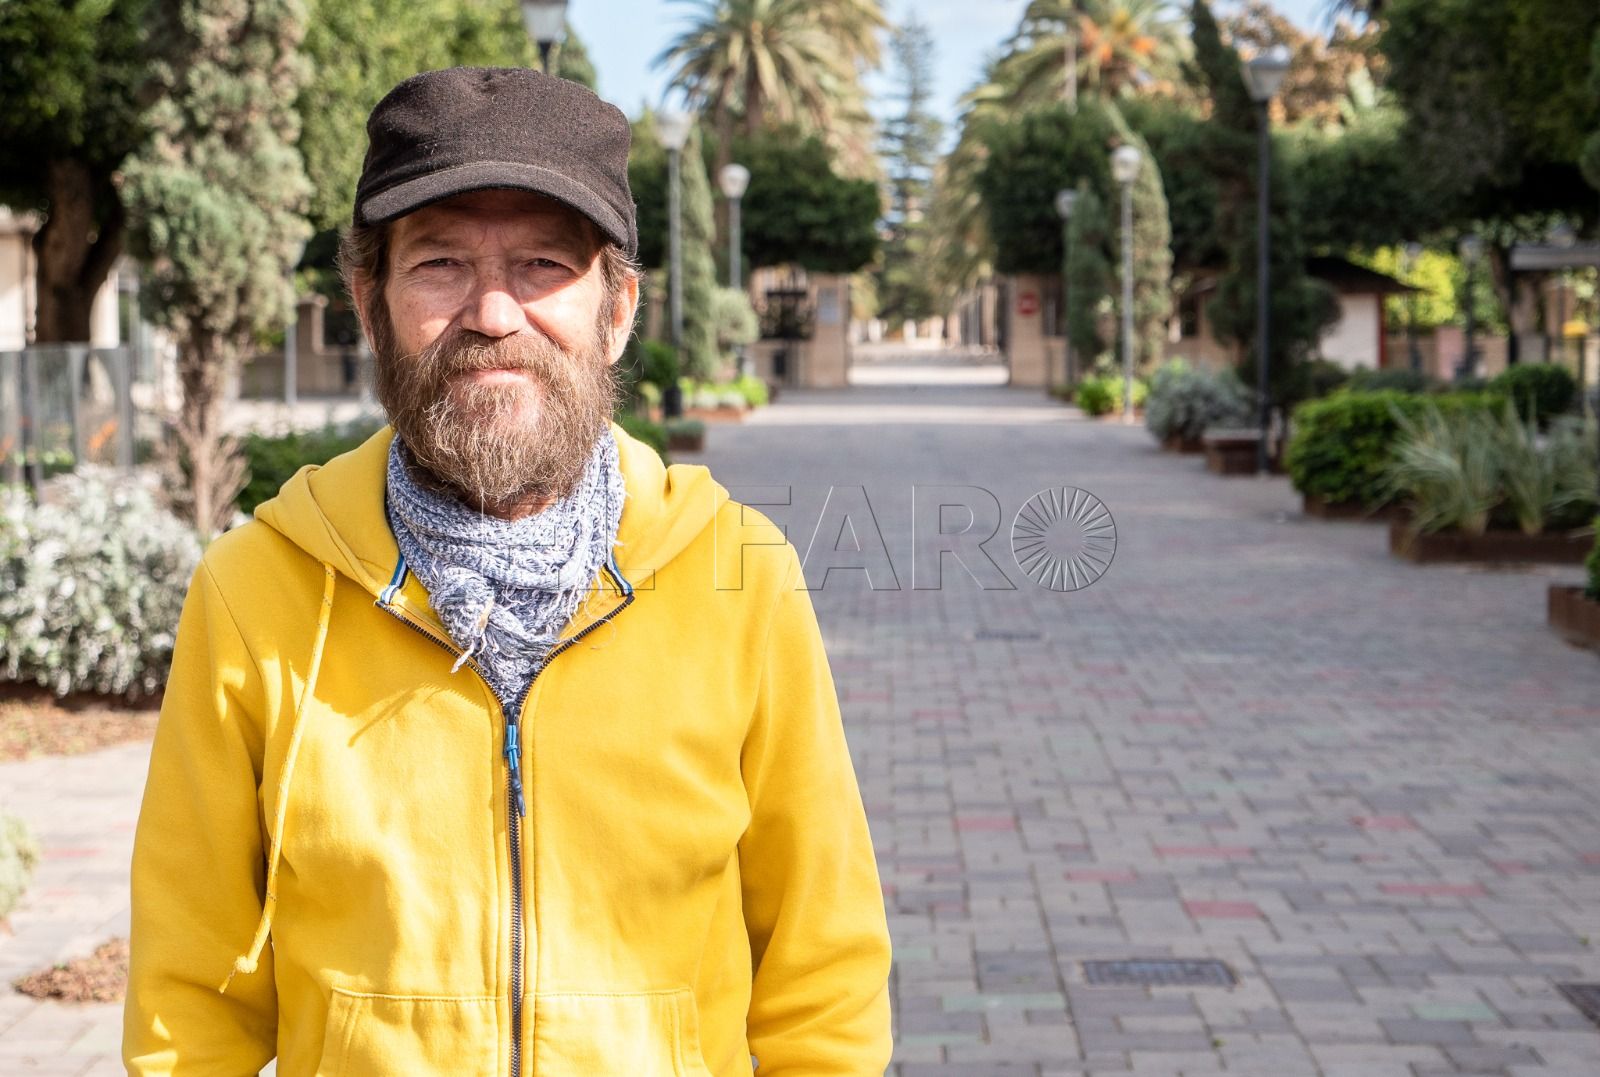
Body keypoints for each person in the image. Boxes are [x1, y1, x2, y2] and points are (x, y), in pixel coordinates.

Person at [123, 66, 892, 1076]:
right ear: (369, 300)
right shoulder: (255, 589)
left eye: (540, 263)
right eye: (438, 263)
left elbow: (820, 972)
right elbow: (191, 996)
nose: (491, 313)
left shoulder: (740, 577)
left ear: (617, 307)